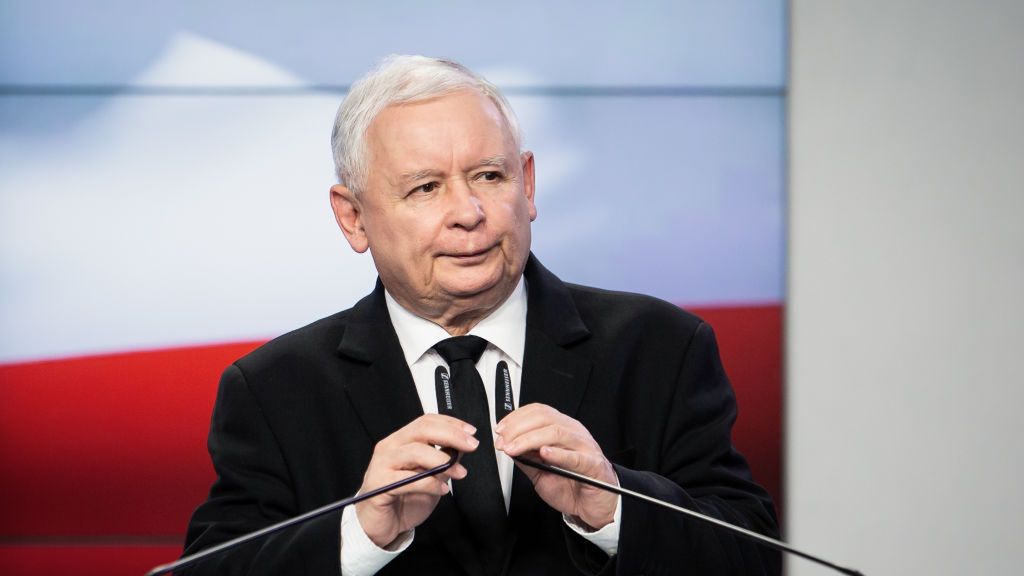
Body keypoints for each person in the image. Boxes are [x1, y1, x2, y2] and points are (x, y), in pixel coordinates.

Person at [183, 55, 780, 576]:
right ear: (353, 218)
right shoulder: (274, 388)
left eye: (489, 177)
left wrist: (616, 507)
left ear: (527, 183)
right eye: (425, 188)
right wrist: (359, 533)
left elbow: (753, 555)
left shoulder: (660, 349)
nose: (468, 213)